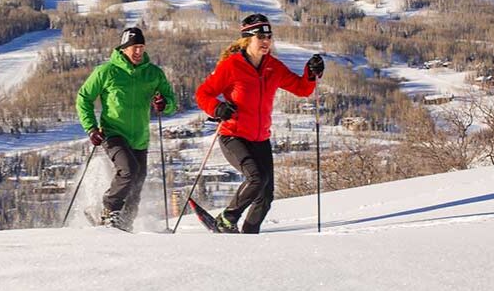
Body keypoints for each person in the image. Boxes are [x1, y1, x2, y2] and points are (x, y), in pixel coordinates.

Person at [195, 13, 324, 234]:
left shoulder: (273, 67)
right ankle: (226, 219)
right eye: (260, 37)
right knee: (257, 178)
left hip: (260, 138)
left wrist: (310, 74)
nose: (266, 42)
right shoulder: (231, 66)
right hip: (233, 135)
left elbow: (302, 89)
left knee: (265, 196)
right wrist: (217, 108)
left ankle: (249, 237)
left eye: (269, 37)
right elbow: (203, 93)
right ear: (247, 40)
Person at [76, 26, 177, 231]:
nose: (138, 51)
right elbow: (83, 98)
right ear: (123, 49)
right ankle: (109, 210)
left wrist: (164, 104)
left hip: (140, 137)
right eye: (134, 47)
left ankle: (125, 225)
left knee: (137, 183)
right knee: (129, 170)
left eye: (141, 47)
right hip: (112, 133)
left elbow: (171, 101)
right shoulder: (106, 72)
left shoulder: (153, 73)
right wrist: (91, 128)